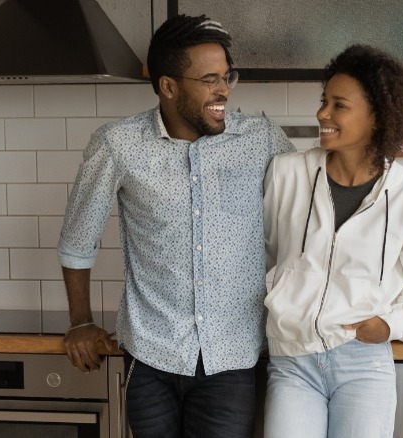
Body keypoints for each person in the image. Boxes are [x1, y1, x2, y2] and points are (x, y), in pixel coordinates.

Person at [57, 14, 294, 438]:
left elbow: (310, 215)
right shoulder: (117, 144)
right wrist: (80, 321)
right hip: (150, 357)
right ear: (168, 87)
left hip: (233, 358)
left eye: (226, 77)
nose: (223, 90)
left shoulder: (262, 140)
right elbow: (78, 240)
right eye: (209, 79)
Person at [262, 44, 403, 438]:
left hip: (363, 363)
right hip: (292, 361)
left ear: (376, 116)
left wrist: (391, 324)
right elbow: (265, 256)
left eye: (338, 105)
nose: (322, 113)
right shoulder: (286, 174)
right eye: (324, 101)